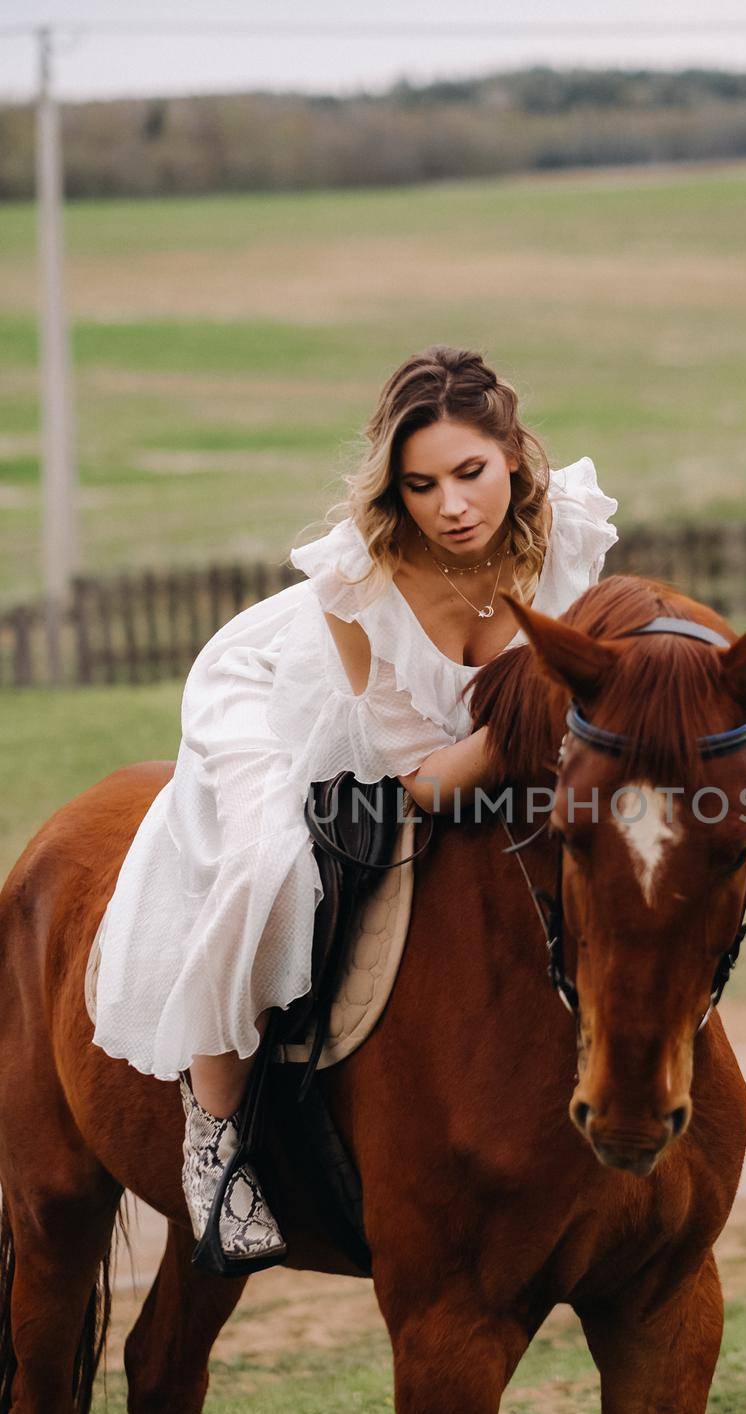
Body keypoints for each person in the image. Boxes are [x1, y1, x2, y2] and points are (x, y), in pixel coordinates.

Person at [89, 344, 619, 1270]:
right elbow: (422, 778)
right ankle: (214, 1140)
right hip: (296, 708)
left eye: (470, 473)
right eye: (421, 487)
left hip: (479, 733)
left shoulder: (565, 534)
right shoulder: (357, 585)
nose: (452, 507)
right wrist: (533, 702)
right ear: (394, 493)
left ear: (513, 460)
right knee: (265, 870)